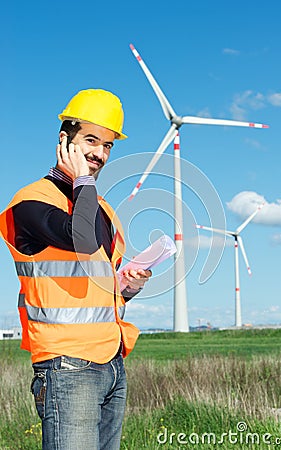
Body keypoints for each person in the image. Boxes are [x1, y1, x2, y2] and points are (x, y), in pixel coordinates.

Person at [0, 88, 152, 450]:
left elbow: (99, 286)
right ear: (64, 140)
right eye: (91, 140)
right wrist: (82, 179)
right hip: (67, 366)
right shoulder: (32, 201)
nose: (99, 154)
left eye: (108, 145)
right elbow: (79, 238)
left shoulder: (102, 210)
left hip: (111, 362)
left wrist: (127, 286)